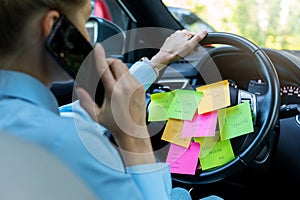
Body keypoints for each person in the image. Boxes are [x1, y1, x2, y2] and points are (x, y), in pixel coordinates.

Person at [0, 0, 208, 199]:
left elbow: (77, 115)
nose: (91, 41)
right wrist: (133, 136)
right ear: (54, 27)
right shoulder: (66, 144)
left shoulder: (23, 118)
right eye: (85, 23)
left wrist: (156, 63)